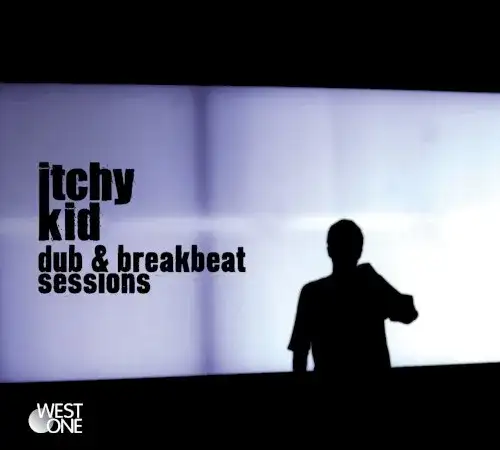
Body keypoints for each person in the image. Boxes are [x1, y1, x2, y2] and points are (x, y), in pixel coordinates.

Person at [288, 219, 418, 378]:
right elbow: (409, 313)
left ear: (329, 250)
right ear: (359, 251)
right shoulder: (370, 286)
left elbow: (300, 352)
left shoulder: (313, 293)